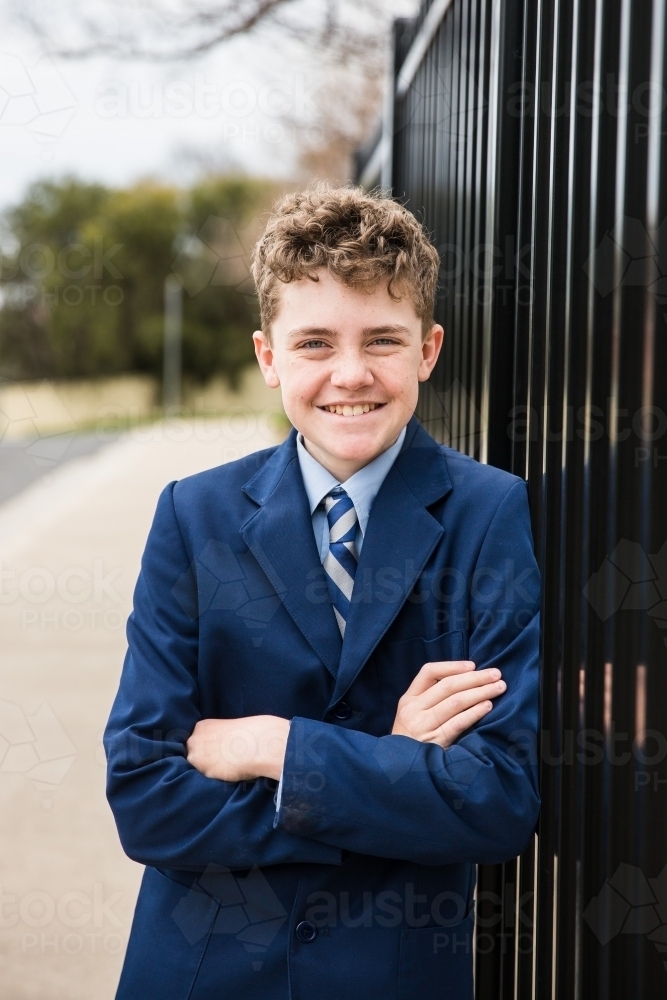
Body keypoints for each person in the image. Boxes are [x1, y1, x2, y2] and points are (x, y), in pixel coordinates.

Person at [104, 184, 540, 1000]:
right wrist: (390, 766)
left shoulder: (488, 511)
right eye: (314, 343)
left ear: (428, 351)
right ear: (269, 357)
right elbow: (146, 798)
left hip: (393, 973)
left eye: (382, 339)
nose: (350, 374)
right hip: (205, 970)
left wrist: (276, 747)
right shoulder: (192, 515)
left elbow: (497, 801)